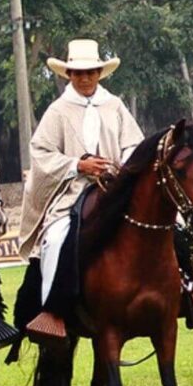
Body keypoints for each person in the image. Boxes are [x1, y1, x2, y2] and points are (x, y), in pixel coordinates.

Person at [15, 39, 143, 341]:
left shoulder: (115, 106)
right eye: (78, 73)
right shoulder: (58, 111)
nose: (84, 78)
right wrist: (78, 165)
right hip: (72, 192)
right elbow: (42, 153)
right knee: (56, 238)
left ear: (100, 73)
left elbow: (134, 144)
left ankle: (187, 286)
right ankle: (53, 310)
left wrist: (120, 168)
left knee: (168, 222)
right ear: (68, 75)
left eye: (90, 72)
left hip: (117, 187)